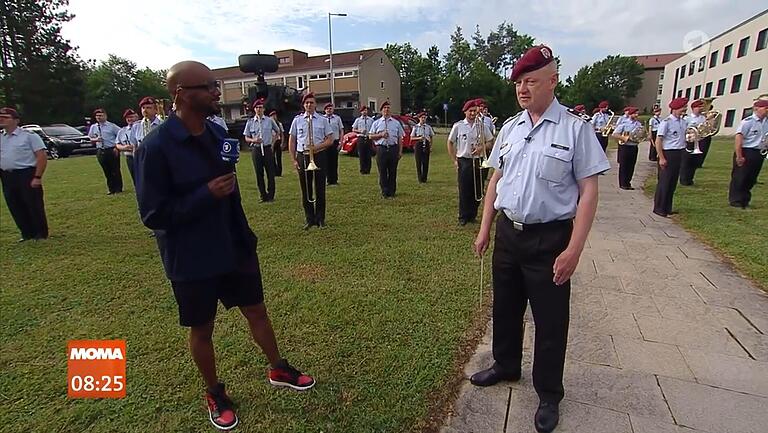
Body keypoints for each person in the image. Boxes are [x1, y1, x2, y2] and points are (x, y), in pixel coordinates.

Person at [135, 61, 314, 431]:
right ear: (181, 94)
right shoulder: (156, 148)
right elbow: (153, 215)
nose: (217, 91)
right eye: (209, 86)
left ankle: (278, 368)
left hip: (233, 246)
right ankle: (214, 392)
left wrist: (245, 236)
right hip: (191, 256)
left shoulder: (218, 137)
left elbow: (230, 195)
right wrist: (204, 195)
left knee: (258, 311)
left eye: (217, 85)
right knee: (202, 328)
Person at [470, 45, 609, 433]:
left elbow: (589, 191)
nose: (522, 89)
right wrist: (485, 227)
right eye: (518, 82)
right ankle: (505, 364)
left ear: (553, 81)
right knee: (506, 307)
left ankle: (549, 393)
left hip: (550, 239)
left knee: (550, 321)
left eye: (531, 81)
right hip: (508, 235)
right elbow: (497, 178)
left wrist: (574, 249)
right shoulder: (511, 128)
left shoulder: (576, 130)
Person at [0, 107, 49, 242]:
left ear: (16, 120)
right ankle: (26, 233)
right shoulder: (1, 137)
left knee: (33, 204)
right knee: (14, 204)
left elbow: (41, 156)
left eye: (5, 117)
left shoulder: (29, 136)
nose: (1, 119)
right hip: (7, 176)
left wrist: (37, 177)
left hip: (26, 174)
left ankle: (40, 233)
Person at [288, 93, 334, 229]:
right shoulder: (297, 120)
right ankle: (309, 219)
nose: (309, 105)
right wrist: (294, 160)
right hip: (303, 156)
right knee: (306, 189)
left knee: (320, 188)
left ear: (315, 105)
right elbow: (292, 140)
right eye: (306, 102)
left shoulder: (322, 120)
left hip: (319, 156)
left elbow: (330, 140)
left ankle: (320, 218)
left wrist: (316, 147)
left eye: (311, 102)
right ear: (303, 105)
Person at [447, 98, 493, 225]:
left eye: (474, 111)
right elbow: (450, 143)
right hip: (464, 161)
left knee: (477, 189)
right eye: (470, 111)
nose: (472, 113)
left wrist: (481, 148)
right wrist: (454, 160)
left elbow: (490, 142)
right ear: (465, 112)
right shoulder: (458, 126)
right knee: (464, 189)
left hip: (478, 161)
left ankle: (472, 215)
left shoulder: (482, 126)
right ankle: (463, 216)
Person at [728, 98, 768, 208]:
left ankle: (745, 199)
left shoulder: (766, 122)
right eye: (765, 108)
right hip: (746, 151)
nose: (767, 111)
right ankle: (735, 200)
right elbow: (739, 139)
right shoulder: (747, 122)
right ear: (756, 109)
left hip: (758, 152)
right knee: (740, 176)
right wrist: (739, 156)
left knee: (751, 178)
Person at [652, 97, 688, 217]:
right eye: (683, 107)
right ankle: (659, 207)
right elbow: (658, 140)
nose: (685, 109)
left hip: (679, 152)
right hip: (668, 153)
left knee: (672, 182)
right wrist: (661, 157)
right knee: (665, 181)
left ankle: (667, 207)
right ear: (675, 109)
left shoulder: (683, 122)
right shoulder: (666, 122)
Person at [244, 98, 280, 202]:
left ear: (263, 109)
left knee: (270, 173)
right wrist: (253, 140)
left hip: (267, 148)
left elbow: (277, 131)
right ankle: (263, 195)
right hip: (256, 150)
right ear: (254, 109)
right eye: (257, 107)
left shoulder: (269, 120)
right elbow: (246, 137)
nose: (259, 109)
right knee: (259, 173)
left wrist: (272, 141)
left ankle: (271, 195)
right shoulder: (250, 122)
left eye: (260, 107)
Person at [370, 101, 405, 198]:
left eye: (388, 108)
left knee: (393, 171)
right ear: (381, 110)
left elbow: (400, 138)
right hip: (381, 149)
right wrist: (380, 135)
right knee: (382, 171)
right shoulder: (376, 123)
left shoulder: (396, 123)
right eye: (384, 108)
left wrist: (400, 151)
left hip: (393, 149)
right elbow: (370, 136)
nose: (386, 110)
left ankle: (392, 191)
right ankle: (385, 191)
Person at [88, 108, 123, 194]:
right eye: (97, 116)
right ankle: (111, 188)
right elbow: (90, 138)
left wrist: (117, 147)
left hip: (111, 149)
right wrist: (96, 139)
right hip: (101, 150)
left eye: (101, 115)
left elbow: (121, 135)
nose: (99, 117)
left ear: (105, 116)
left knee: (115, 169)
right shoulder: (94, 127)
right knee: (106, 170)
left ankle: (118, 188)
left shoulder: (112, 126)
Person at [612, 106, 642, 190]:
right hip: (625, 146)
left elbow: (641, 134)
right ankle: (623, 183)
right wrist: (624, 138)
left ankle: (628, 182)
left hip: (634, 146)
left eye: (637, 113)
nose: (636, 115)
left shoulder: (638, 124)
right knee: (624, 165)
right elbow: (615, 134)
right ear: (630, 114)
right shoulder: (624, 124)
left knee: (631, 165)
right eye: (635, 113)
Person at [679, 99, 707, 186]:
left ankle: (690, 178)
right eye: (699, 107)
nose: (701, 108)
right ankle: (683, 179)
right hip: (689, 142)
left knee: (694, 162)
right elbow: (683, 130)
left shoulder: (703, 118)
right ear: (693, 108)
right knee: (686, 161)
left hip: (699, 141)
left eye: (702, 107)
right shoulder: (687, 118)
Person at [116, 109, 139, 185]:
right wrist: (124, 147)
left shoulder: (141, 127)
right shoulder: (122, 131)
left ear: (137, 117)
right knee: (135, 177)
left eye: (132, 117)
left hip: (141, 155)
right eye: (128, 118)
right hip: (130, 157)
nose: (130, 119)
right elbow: (117, 144)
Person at [323, 103, 344, 185]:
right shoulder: (322, 119)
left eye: (330, 108)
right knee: (326, 161)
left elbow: (341, 130)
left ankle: (334, 180)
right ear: (325, 110)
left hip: (335, 141)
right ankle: (328, 180)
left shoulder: (337, 118)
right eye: (327, 108)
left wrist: (341, 142)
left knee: (334, 161)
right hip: (325, 142)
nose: (329, 110)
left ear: (333, 110)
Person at [411, 111, 434, 183]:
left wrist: (430, 146)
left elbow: (431, 136)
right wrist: (419, 138)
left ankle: (424, 178)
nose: (423, 119)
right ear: (419, 118)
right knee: (418, 162)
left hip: (426, 144)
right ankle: (420, 178)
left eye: (424, 118)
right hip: (419, 144)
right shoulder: (416, 127)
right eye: (422, 118)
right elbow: (412, 138)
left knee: (426, 162)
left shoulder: (428, 127)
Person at [352, 106, 375, 174]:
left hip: (368, 138)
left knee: (368, 154)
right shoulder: (358, 120)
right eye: (363, 110)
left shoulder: (371, 120)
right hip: (361, 138)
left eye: (365, 110)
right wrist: (360, 131)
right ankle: (362, 169)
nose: (364, 112)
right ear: (361, 112)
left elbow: (373, 129)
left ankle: (368, 170)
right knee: (361, 154)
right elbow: (353, 129)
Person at [269, 110, 285, 176]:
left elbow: (282, 134)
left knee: (278, 157)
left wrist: (282, 142)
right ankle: (274, 171)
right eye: (272, 116)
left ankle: (279, 172)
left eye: (275, 115)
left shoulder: (279, 124)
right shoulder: (269, 124)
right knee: (272, 158)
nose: (274, 117)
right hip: (272, 141)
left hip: (278, 141)